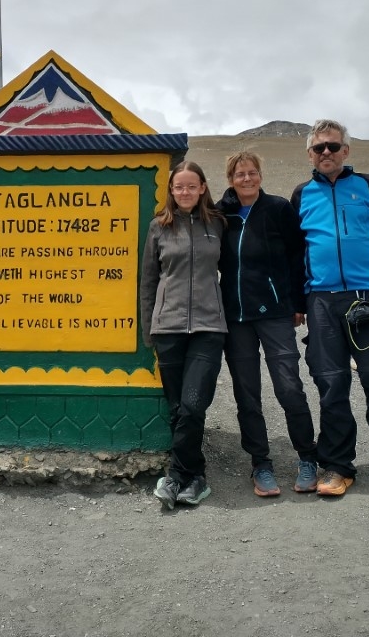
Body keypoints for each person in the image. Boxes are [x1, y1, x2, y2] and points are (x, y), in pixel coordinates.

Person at [290, 120, 369, 499]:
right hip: (321, 302)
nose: (326, 153)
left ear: (346, 150)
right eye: (319, 148)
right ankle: (337, 466)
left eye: (333, 146)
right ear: (310, 154)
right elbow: (294, 255)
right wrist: (297, 303)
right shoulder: (301, 195)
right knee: (331, 385)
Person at [216, 151, 319, 497]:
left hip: (275, 312)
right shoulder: (220, 214)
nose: (247, 179)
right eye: (240, 174)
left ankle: (307, 457)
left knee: (289, 386)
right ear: (231, 179)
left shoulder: (278, 208)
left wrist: (297, 302)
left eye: (252, 172)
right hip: (236, 317)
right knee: (247, 393)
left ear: (260, 175)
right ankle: (260, 463)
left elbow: (297, 256)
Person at [140, 160, 227, 510]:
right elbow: (148, 281)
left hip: (209, 328)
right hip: (168, 327)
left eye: (192, 186)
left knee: (193, 404)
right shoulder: (159, 227)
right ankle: (195, 477)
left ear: (202, 188)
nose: (185, 192)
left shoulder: (217, 224)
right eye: (179, 187)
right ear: (171, 190)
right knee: (177, 408)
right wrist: (149, 329)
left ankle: (175, 475)